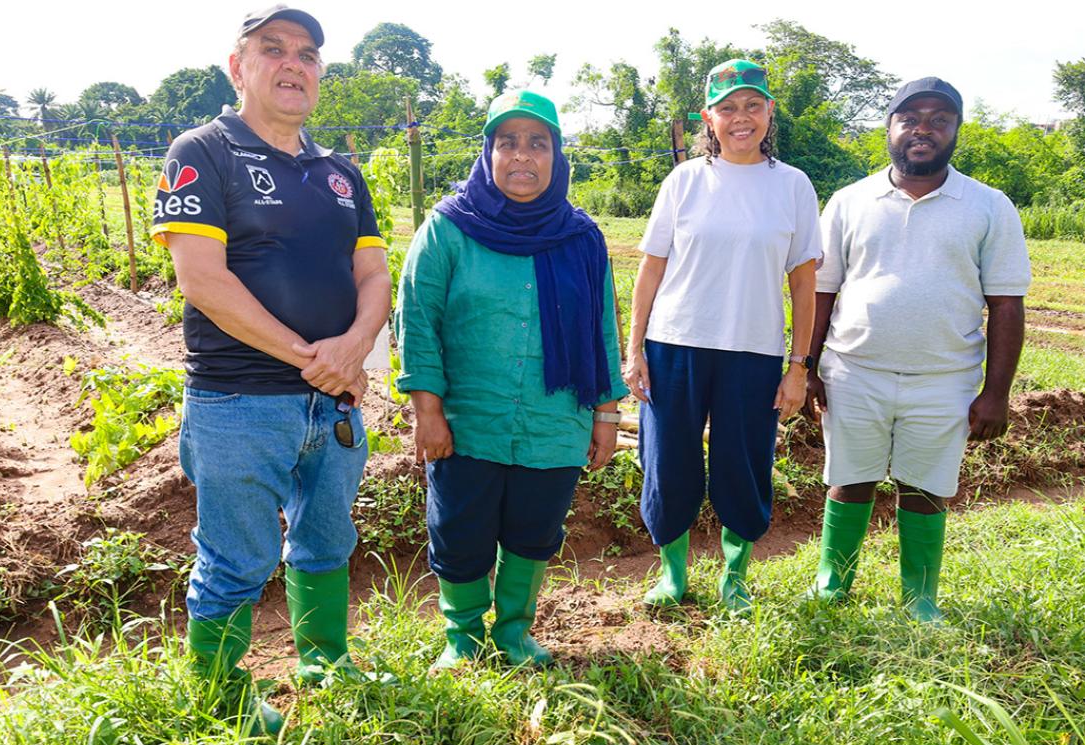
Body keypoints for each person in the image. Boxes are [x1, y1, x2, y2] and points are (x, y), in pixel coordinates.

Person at [150, 5, 391, 733]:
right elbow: (204, 281)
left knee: (327, 537)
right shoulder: (204, 149)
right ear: (239, 67)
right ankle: (221, 698)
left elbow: (374, 276)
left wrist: (351, 349)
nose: (294, 64)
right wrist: (315, 359)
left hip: (336, 403)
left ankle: (325, 661)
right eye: (273, 49)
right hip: (238, 402)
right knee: (237, 557)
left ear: (320, 73)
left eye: (308, 54)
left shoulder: (340, 172)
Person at [396, 90, 628, 670]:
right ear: (488, 152)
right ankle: (464, 638)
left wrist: (605, 413)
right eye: (508, 143)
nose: (522, 156)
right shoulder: (448, 228)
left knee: (534, 527)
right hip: (467, 419)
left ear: (556, 155)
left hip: (555, 417)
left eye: (537, 143)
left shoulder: (581, 236)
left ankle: (515, 632)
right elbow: (417, 319)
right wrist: (428, 410)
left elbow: (603, 325)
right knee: (460, 530)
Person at [804, 77, 1030, 622]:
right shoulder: (848, 201)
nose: (922, 129)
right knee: (849, 477)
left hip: (944, 378)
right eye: (910, 118)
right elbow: (822, 290)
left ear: (955, 131)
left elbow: (1006, 304)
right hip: (853, 370)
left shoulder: (989, 206)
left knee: (925, 485)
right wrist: (807, 367)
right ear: (889, 129)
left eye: (938, 119)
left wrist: (995, 393)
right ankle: (833, 585)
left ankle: (920, 598)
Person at [626, 59, 820, 612]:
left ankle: (734, 577)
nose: (741, 118)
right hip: (674, 344)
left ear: (769, 112)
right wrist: (634, 350)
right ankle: (673, 575)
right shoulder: (684, 180)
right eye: (728, 108)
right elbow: (652, 271)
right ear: (708, 118)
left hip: (753, 351)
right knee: (669, 460)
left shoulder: (792, 186)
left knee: (745, 461)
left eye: (752, 105)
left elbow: (803, 284)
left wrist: (798, 367)